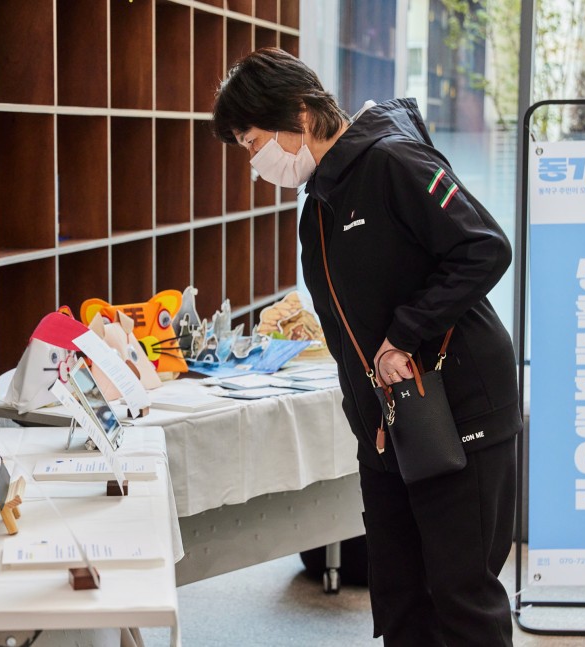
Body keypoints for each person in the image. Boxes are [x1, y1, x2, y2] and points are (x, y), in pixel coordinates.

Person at [212, 48, 521, 647]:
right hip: (389, 429)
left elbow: (485, 246)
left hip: (462, 409)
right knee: (400, 601)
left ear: (301, 116)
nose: (254, 162)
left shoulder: (393, 161)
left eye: (253, 143)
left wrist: (405, 332)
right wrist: (369, 419)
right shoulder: (320, 205)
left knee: (462, 599)